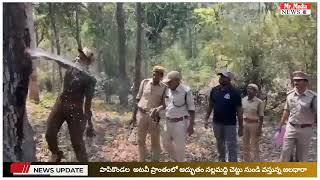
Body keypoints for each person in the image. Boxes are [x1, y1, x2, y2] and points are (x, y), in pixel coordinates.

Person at [45, 47, 97, 162]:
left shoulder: (90, 79)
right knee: (49, 133)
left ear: (87, 62)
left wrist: (89, 123)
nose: (78, 58)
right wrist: (43, 55)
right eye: (78, 55)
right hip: (60, 105)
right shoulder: (70, 66)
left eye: (82, 57)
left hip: (76, 111)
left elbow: (88, 103)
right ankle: (56, 154)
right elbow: (57, 59)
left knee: (77, 142)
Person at [204, 70, 243, 162]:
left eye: (223, 77)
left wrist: (241, 127)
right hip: (217, 123)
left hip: (230, 124)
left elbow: (239, 110)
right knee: (220, 144)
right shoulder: (214, 90)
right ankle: (221, 162)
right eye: (220, 76)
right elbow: (210, 105)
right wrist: (206, 118)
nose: (221, 78)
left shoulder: (235, 92)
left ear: (229, 79)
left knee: (231, 146)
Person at [279, 71, 317, 162]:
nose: (295, 82)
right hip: (291, 127)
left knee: (302, 157)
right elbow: (286, 110)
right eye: (295, 80)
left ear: (305, 82)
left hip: (305, 129)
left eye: (299, 80)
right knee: (285, 153)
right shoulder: (290, 95)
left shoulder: (313, 97)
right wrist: (280, 125)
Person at [135, 66, 167, 162]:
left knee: (155, 141)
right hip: (141, 114)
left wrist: (158, 109)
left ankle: (155, 160)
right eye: (153, 74)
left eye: (157, 75)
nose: (154, 76)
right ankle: (142, 160)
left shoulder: (164, 88)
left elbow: (164, 104)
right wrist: (136, 112)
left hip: (154, 116)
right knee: (140, 140)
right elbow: (138, 98)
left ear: (161, 76)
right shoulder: (145, 82)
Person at [162, 71, 195, 162]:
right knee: (165, 143)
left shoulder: (186, 91)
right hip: (168, 122)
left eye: (170, 82)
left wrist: (191, 126)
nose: (168, 84)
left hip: (180, 123)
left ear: (177, 81)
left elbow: (192, 110)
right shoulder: (168, 90)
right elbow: (167, 105)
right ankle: (176, 160)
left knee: (180, 148)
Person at [242, 83, 264, 162]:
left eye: (251, 89)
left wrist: (260, 128)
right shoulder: (243, 100)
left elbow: (261, 116)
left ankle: (256, 161)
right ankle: (246, 160)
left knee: (255, 144)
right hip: (245, 123)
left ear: (256, 92)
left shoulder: (259, 102)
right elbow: (241, 112)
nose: (249, 90)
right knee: (245, 144)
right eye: (248, 88)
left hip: (254, 124)